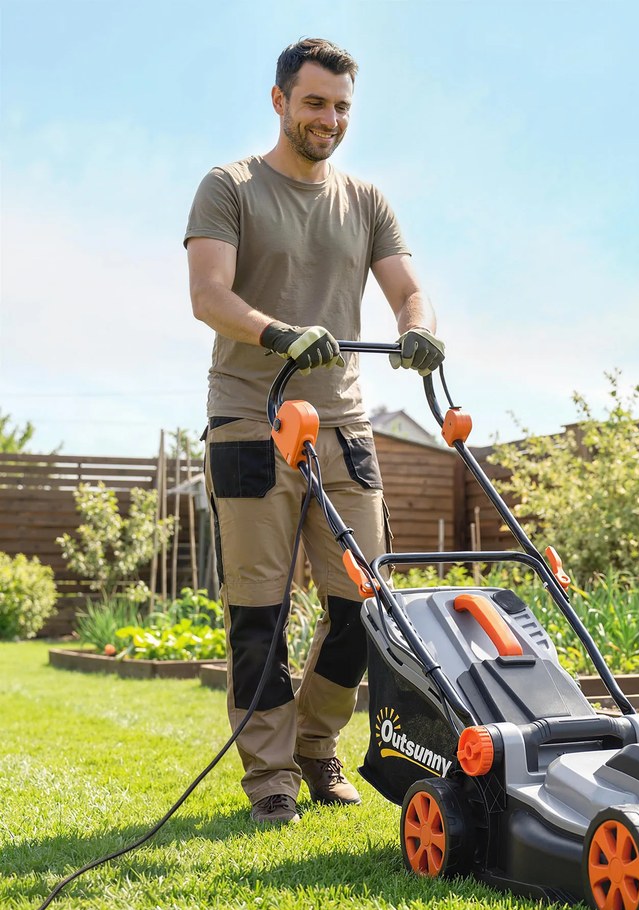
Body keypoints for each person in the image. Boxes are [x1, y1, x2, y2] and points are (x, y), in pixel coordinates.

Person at [184, 38, 444, 825]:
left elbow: (408, 289)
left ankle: (314, 745)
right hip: (250, 420)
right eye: (314, 103)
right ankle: (269, 778)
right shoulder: (229, 186)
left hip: (344, 424)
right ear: (279, 101)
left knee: (365, 605)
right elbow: (208, 294)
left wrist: (419, 326)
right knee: (258, 610)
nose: (329, 119)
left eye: (341, 107)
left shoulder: (365, 201)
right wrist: (278, 333)